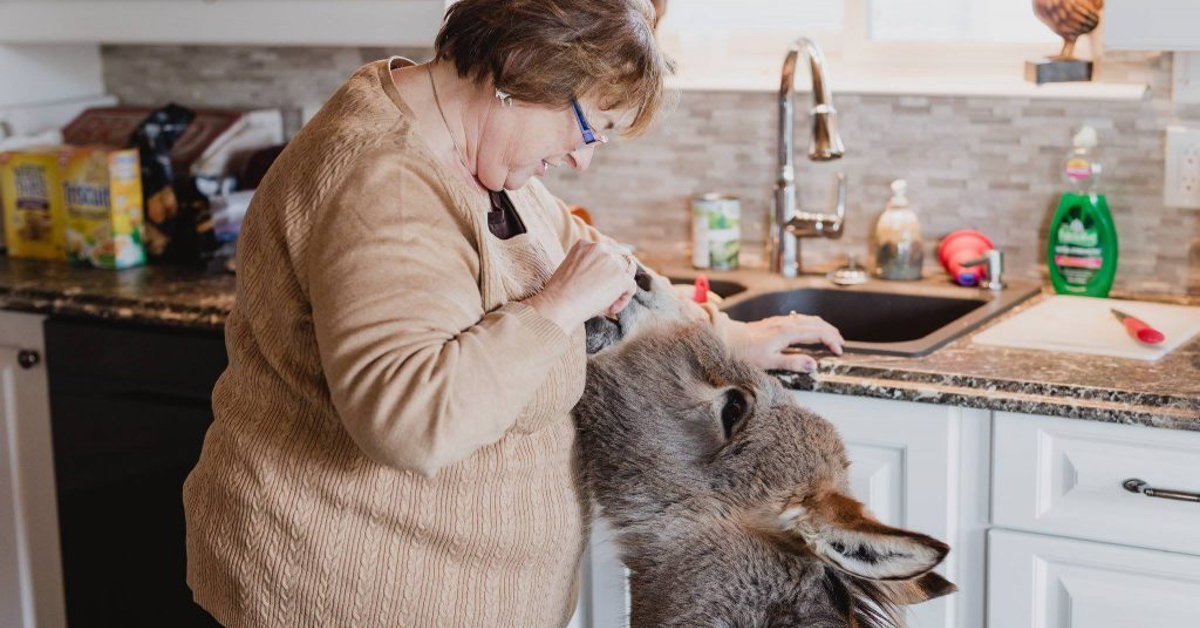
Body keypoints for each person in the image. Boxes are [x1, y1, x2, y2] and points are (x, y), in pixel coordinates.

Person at [182, 0, 844, 626]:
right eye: (590, 128)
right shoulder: (388, 183)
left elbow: (601, 265)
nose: (581, 160)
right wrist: (558, 307)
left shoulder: (468, 146)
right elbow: (411, 422)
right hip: (348, 594)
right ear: (524, 71)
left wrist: (726, 336)